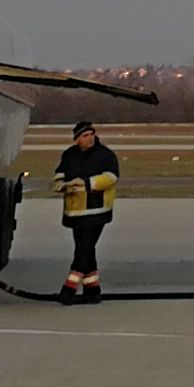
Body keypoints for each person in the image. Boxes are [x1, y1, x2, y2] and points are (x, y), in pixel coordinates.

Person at [55, 118, 120, 303]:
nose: (90, 138)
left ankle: (69, 288)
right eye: (85, 135)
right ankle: (92, 289)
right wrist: (62, 185)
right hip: (76, 212)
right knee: (86, 249)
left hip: (97, 210)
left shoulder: (105, 155)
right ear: (77, 139)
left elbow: (111, 177)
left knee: (83, 249)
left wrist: (86, 183)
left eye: (92, 134)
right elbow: (59, 174)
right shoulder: (69, 155)